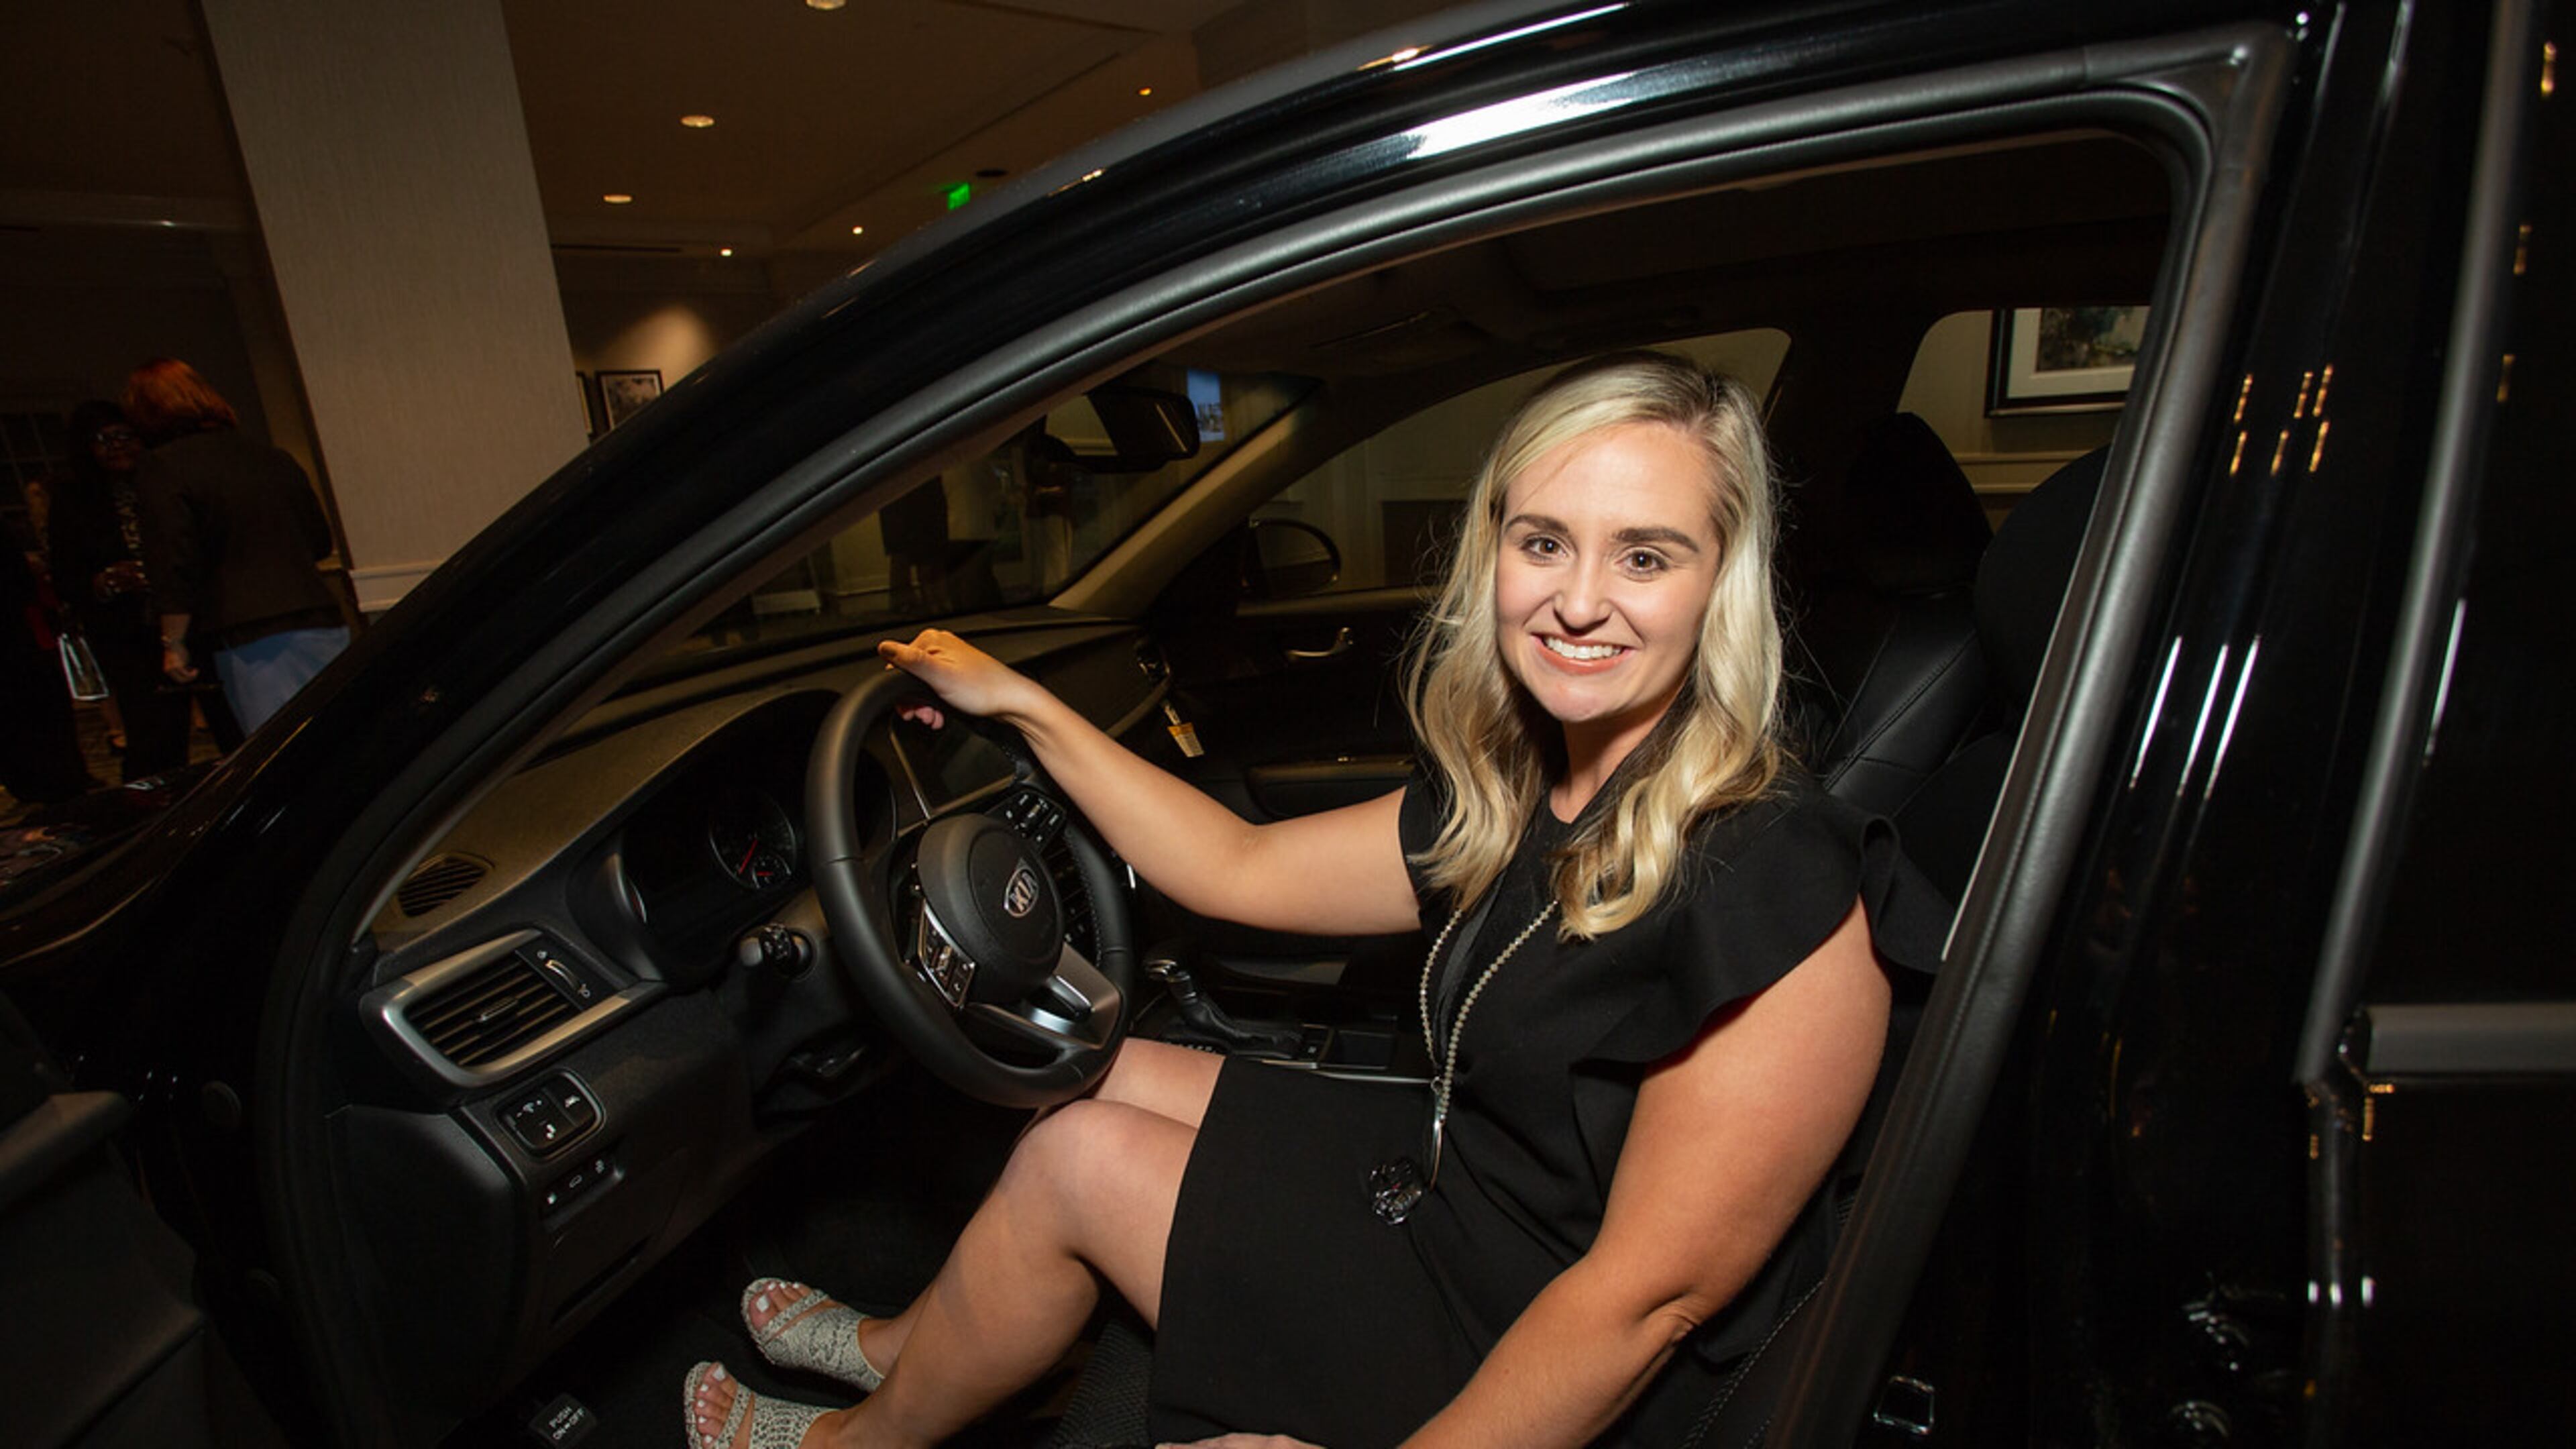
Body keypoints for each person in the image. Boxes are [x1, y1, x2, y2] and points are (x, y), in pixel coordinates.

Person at [682, 352, 1947, 1449]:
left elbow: (1643, 1306)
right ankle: (918, 1347)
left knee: (1071, 1159)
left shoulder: (1780, 885)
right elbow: (1237, 866)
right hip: (1466, 1187)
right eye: (1544, 541)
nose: (1576, 600)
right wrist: (1024, 707)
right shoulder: (1530, 787)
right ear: (1492, 550)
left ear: (1721, 581)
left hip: (1528, 1332)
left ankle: (862, 1436)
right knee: (1099, 1073)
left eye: (1646, 556)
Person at [123, 359, 348, 733]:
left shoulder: (164, 467)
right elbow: (319, 541)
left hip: (253, 634)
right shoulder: (272, 457)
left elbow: (174, 561)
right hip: (321, 617)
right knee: (341, 735)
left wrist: (173, 642)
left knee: (282, 751)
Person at [44, 401, 198, 780]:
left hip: (185, 619)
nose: (117, 447)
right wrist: (105, 582)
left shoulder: (163, 482)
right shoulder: (73, 500)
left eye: (124, 436)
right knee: (151, 733)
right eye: (103, 440)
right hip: (124, 633)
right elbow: (65, 575)